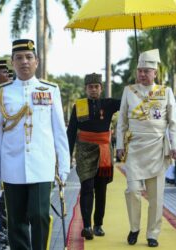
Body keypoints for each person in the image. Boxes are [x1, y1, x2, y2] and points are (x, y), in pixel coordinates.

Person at [0, 39, 70, 250]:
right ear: (12, 62)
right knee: (16, 220)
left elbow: (59, 131)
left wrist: (64, 165)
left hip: (42, 165)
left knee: (40, 214)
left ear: (37, 61)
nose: (24, 62)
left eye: (29, 57)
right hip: (12, 165)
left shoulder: (50, 90)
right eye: (19, 58)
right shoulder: (1, 91)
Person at [116, 49, 176, 247]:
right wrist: (119, 146)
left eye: (146, 71)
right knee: (132, 190)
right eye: (140, 71)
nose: (142, 74)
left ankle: (152, 233)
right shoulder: (129, 91)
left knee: (156, 196)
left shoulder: (165, 91)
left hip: (158, 148)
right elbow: (122, 121)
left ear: (155, 72)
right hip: (135, 147)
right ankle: (134, 227)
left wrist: (175, 145)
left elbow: (174, 122)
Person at [67, 73, 120, 240]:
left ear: (101, 88)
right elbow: (71, 132)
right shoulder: (79, 106)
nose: (93, 90)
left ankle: (98, 225)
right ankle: (87, 226)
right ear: (86, 89)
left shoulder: (109, 104)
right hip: (84, 151)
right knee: (86, 187)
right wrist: (66, 155)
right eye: (90, 87)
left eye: (96, 86)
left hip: (104, 150)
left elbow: (129, 101)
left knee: (101, 189)